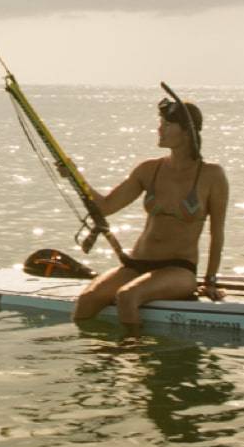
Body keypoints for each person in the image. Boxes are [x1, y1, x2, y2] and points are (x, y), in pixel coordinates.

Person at [71, 96, 228, 329]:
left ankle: (133, 349)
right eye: (160, 123)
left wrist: (210, 280)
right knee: (86, 300)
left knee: (127, 296)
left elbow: (217, 233)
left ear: (187, 132)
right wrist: (75, 176)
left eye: (167, 124)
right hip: (136, 264)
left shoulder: (212, 176)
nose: (159, 129)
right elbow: (105, 206)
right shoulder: (148, 169)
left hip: (179, 269)